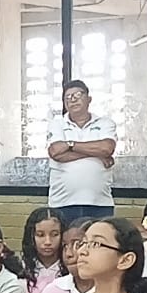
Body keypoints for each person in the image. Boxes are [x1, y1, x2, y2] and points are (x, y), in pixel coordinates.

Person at [46, 80, 117, 226]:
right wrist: (96, 153)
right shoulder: (57, 124)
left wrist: (70, 144)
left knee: (98, 244)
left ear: (89, 99)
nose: (72, 99)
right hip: (63, 202)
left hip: (99, 203)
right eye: (68, 97)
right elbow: (56, 152)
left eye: (77, 95)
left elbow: (107, 148)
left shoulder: (105, 123)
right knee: (66, 246)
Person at [21, 207, 64, 293]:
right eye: (40, 235)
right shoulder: (21, 269)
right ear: (31, 236)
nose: (48, 242)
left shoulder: (69, 270)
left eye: (54, 234)